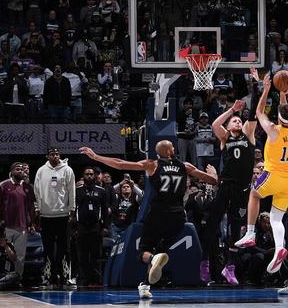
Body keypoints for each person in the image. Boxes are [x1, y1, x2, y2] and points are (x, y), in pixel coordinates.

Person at [79, 140, 218, 299]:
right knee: (162, 251)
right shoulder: (185, 166)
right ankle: (145, 285)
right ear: (169, 151)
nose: (174, 148)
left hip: (158, 213)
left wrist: (96, 157)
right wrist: (214, 173)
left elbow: (120, 164)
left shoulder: (153, 165)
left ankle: (151, 260)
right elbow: (212, 180)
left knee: (143, 252)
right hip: (179, 216)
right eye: (172, 147)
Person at [234, 73, 288, 276]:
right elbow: (284, 110)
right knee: (276, 218)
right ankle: (279, 248)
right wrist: (283, 93)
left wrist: (267, 90)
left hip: (273, 176)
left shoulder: (273, 130)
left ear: (279, 116)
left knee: (254, 195)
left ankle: (250, 233)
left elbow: (259, 111)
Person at [200, 70, 259, 285]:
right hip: (226, 186)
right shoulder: (224, 137)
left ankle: (230, 267)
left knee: (236, 229)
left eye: (238, 121)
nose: (237, 122)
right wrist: (232, 110)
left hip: (242, 189)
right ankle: (205, 261)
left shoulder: (249, 135)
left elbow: (253, 114)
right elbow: (215, 125)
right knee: (212, 224)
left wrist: (256, 85)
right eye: (234, 121)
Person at [34, 148, 76, 288]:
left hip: (63, 215)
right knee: (48, 249)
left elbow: (72, 190)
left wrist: (72, 208)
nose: (55, 156)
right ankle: (48, 278)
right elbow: (36, 191)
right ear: (47, 156)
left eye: (57, 154)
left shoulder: (67, 170)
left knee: (65, 249)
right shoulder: (41, 171)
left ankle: (65, 278)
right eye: (52, 154)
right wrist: (38, 209)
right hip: (46, 215)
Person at [0, 162, 36, 281]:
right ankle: (4, 279)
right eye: (17, 169)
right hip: (7, 225)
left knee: (20, 256)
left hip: (22, 226)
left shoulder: (28, 187)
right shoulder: (4, 185)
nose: (20, 171)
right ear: (12, 171)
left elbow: (31, 207)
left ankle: (17, 279)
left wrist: (32, 223)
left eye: (22, 169)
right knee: (5, 254)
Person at [74, 166, 109, 287]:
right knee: (82, 255)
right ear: (83, 176)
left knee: (96, 254)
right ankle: (84, 280)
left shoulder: (101, 191)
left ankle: (96, 280)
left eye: (91, 174)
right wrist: (74, 227)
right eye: (87, 174)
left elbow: (105, 211)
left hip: (96, 226)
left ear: (94, 176)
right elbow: (73, 210)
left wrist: (105, 227)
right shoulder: (77, 191)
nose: (89, 176)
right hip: (81, 226)